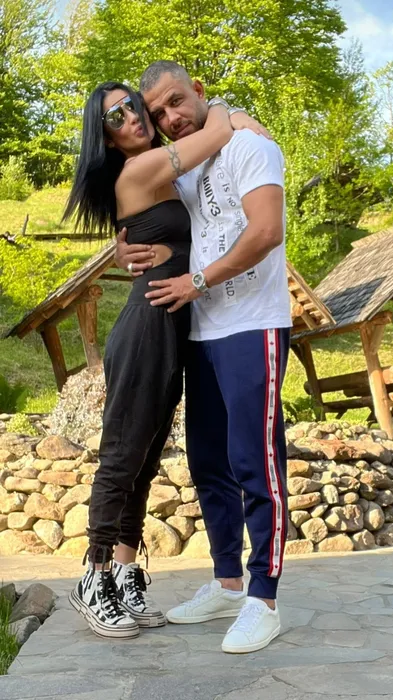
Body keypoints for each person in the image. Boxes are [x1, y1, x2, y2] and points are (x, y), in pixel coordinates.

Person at [63, 80, 262, 639]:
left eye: (133, 105)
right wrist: (224, 107)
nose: (131, 117)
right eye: (115, 117)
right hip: (148, 324)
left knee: (146, 459)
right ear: (107, 138)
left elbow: (192, 238)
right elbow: (216, 131)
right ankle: (93, 576)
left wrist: (167, 250)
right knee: (122, 454)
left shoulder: (167, 173)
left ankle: (125, 574)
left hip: (176, 326)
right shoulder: (141, 169)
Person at [115, 61, 292, 654]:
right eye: (157, 112)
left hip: (252, 325)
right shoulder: (185, 168)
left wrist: (196, 281)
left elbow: (265, 231)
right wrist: (123, 249)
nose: (169, 117)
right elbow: (156, 223)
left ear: (199, 91)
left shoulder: (249, 146)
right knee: (209, 462)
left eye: (176, 102)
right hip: (201, 333)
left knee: (256, 461)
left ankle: (264, 599)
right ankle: (226, 583)